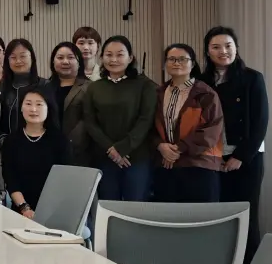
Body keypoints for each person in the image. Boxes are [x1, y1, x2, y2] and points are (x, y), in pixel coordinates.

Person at [199, 26, 268, 264]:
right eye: (216, 47)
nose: (223, 51)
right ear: (207, 51)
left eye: (228, 46)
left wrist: (240, 156)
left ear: (236, 48)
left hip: (247, 158)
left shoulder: (252, 78)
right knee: (219, 215)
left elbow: (260, 121)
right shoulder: (202, 81)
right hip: (212, 158)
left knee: (246, 216)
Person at [84, 35, 158, 202]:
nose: (114, 59)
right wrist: (111, 149)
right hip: (105, 156)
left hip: (136, 157)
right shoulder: (95, 87)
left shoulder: (144, 85)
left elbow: (146, 119)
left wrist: (123, 148)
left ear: (130, 58)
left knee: (135, 206)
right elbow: (90, 122)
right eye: (109, 55)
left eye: (120, 54)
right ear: (102, 57)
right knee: (108, 206)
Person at [153, 43, 224, 203]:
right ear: (165, 64)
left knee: (200, 216)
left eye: (183, 59)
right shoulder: (158, 93)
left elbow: (211, 131)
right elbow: (150, 127)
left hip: (199, 165)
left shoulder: (205, 93)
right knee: (168, 216)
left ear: (192, 64)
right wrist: (160, 145)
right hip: (165, 166)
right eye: (171, 59)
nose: (176, 63)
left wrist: (179, 149)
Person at [2, 86, 70, 217]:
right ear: (21, 108)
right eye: (28, 104)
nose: (33, 109)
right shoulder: (11, 141)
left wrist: (47, 210)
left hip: (54, 210)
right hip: (21, 210)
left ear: (48, 108)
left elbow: (64, 179)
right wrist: (25, 208)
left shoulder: (60, 140)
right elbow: (11, 180)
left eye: (39, 104)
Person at [0, 39, 51, 151]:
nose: (18, 61)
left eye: (23, 56)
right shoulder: (2, 86)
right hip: (8, 149)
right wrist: (4, 142)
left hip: (41, 147)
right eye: (13, 57)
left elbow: (53, 120)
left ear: (32, 58)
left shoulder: (45, 85)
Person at [49, 42, 91, 167]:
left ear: (79, 62)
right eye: (60, 57)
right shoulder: (44, 87)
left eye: (71, 57)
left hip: (81, 153)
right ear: (53, 62)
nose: (65, 62)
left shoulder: (90, 87)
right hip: (49, 152)